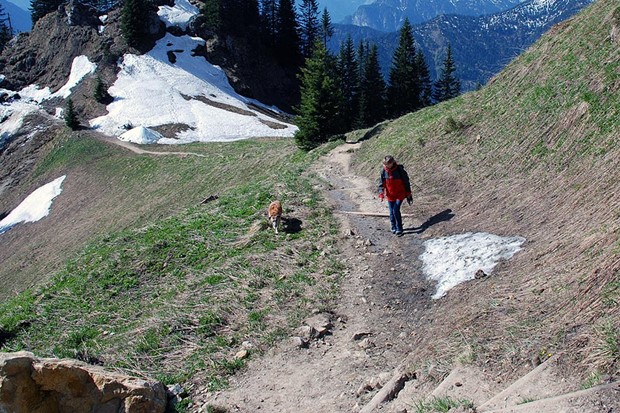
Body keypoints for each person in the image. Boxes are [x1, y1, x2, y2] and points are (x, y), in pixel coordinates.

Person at [377, 155, 413, 236]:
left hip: (400, 194)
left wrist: (408, 193)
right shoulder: (383, 171)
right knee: (391, 212)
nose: (385, 166)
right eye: (384, 164)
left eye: (387, 164)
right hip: (390, 195)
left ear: (392, 163)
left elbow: (406, 182)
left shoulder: (399, 170)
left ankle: (399, 228)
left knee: (395, 210)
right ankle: (393, 227)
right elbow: (381, 183)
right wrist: (381, 193)